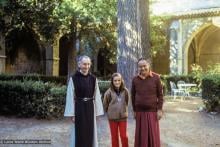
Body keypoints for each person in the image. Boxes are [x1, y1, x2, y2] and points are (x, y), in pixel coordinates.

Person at [64, 55, 104, 147]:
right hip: (79, 108)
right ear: (79, 64)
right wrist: (72, 114)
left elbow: (97, 96)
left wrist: (97, 113)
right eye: (84, 64)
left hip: (90, 107)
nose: (86, 66)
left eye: (88, 64)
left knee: (90, 131)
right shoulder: (73, 78)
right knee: (79, 132)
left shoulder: (93, 79)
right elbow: (70, 97)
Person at [131, 58, 164, 147]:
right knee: (141, 137)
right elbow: (133, 95)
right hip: (139, 112)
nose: (142, 68)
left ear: (148, 65)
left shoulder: (156, 77)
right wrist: (134, 110)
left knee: (152, 136)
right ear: (138, 68)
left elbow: (160, 95)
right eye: (140, 66)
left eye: (144, 66)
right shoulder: (135, 79)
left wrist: (160, 110)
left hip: (152, 112)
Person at [103, 73, 129, 147]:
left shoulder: (125, 91)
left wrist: (123, 110)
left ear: (121, 81)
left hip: (123, 118)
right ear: (112, 81)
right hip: (112, 118)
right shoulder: (108, 92)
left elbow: (127, 102)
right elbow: (105, 104)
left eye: (119, 80)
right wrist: (110, 113)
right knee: (114, 137)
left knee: (124, 136)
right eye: (115, 81)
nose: (117, 82)